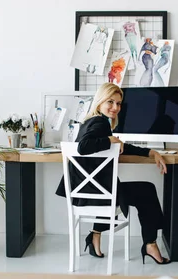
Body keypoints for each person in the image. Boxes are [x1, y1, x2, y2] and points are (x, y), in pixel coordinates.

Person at [55, 83, 171, 265]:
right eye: (110, 102)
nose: (115, 107)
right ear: (100, 101)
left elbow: (116, 146)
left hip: (83, 193)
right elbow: (83, 147)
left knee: (131, 190)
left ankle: (94, 236)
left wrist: (150, 152)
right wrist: (109, 139)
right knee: (147, 190)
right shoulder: (99, 123)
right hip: (98, 194)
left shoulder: (89, 121)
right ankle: (150, 243)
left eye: (118, 103)